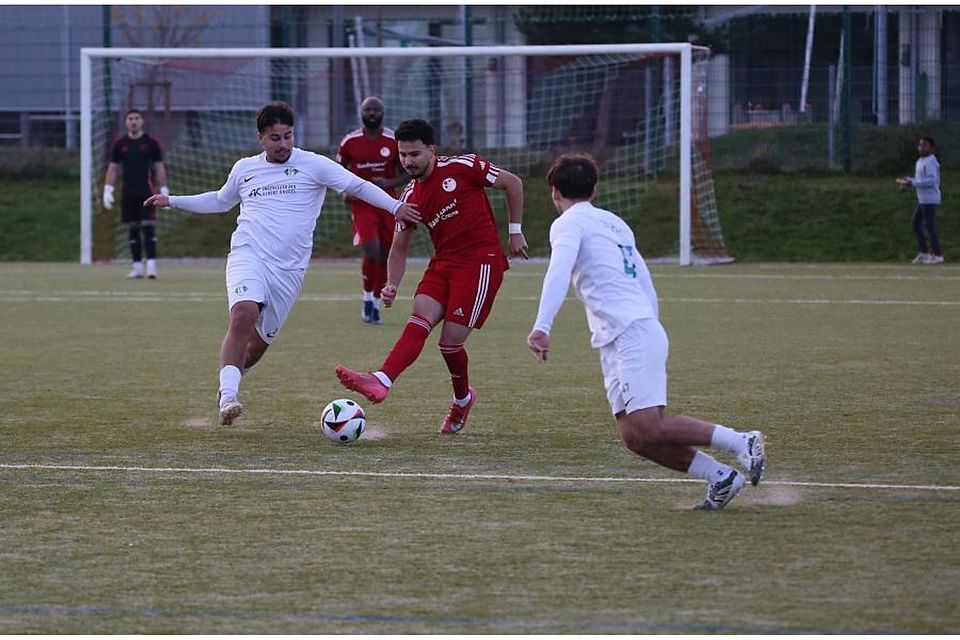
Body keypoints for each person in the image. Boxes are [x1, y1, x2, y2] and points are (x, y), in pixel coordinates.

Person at [144, 101, 420, 427]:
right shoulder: (245, 169)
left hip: (289, 271)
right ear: (260, 138)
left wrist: (395, 207)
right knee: (243, 315)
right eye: (275, 138)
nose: (284, 144)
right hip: (249, 255)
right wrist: (173, 201)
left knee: (255, 350)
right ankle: (229, 396)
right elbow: (220, 200)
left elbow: (356, 185)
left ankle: (229, 379)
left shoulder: (313, 164)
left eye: (288, 136)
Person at [526, 153, 765, 510]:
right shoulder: (615, 223)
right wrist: (651, 324)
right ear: (593, 190)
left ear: (554, 192)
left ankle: (741, 441)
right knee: (634, 436)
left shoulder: (567, 224)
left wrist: (542, 327)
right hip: (622, 335)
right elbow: (644, 279)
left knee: (650, 426)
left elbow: (558, 271)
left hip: (631, 332)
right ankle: (721, 477)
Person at [335, 118, 529, 434]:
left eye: (414, 154)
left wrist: (515, 232)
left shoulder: (464, 166)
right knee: (419, 317)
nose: (408, 161)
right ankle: (382, 379)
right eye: (403, 155)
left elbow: (514, 183)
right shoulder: (410, 196)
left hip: (481, 262)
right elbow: (398, 248)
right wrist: (391, 284)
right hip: (443, 263)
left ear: (431, 150)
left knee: (449, 344)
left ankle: (462, 400)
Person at [337, 97, 409, 324]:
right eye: (368, 110)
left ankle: (376, 301)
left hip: (387, 203)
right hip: (361, 204)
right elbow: (337, 171)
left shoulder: (393, 140)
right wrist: (344, 191)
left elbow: (407, 172)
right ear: (361, 113)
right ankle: (367, 297)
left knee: (386, 254)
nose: (372, 113)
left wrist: (387, 182)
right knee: (373, 251)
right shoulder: (350, 141)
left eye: (375, 110)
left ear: (382, 113)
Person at [104, 108, 168, 279]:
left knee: (148, 228)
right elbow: (113, 167)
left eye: (136, 118)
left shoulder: (151, 143)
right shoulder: (120, 144)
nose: (133, 121)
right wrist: (108, 189)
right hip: (128, 193)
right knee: (133, 230)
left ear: (141, 121)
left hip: (147, 192)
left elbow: (159, 167)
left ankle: (151, 267)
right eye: (130, 118)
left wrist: (164, 189)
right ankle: (137, 268)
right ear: (126, 122)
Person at [897, 136, 944, 265]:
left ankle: (938, 255)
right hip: (922, 199)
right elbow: (920, 180)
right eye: (920, 145)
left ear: (931, 148)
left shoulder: (931, 162)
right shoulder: (919, 161)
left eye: (925, 145)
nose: (921, 148)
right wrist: (909, 180)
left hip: (930, 199)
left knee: (929, 227)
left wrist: (912, 183)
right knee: (916, 224)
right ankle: (924, 253)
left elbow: (931, 181)